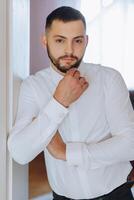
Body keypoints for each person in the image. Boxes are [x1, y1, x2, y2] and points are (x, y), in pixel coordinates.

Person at [8, 6, 134, 200]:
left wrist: (66, 152)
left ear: (86, 41)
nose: (69, 50)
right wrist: (59, 102)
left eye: (77, 41)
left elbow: (130, 145)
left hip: (117, 195)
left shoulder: (109, 79)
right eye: (59, 40)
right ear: (45, 41)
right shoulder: (33, 87)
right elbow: (20, 152)